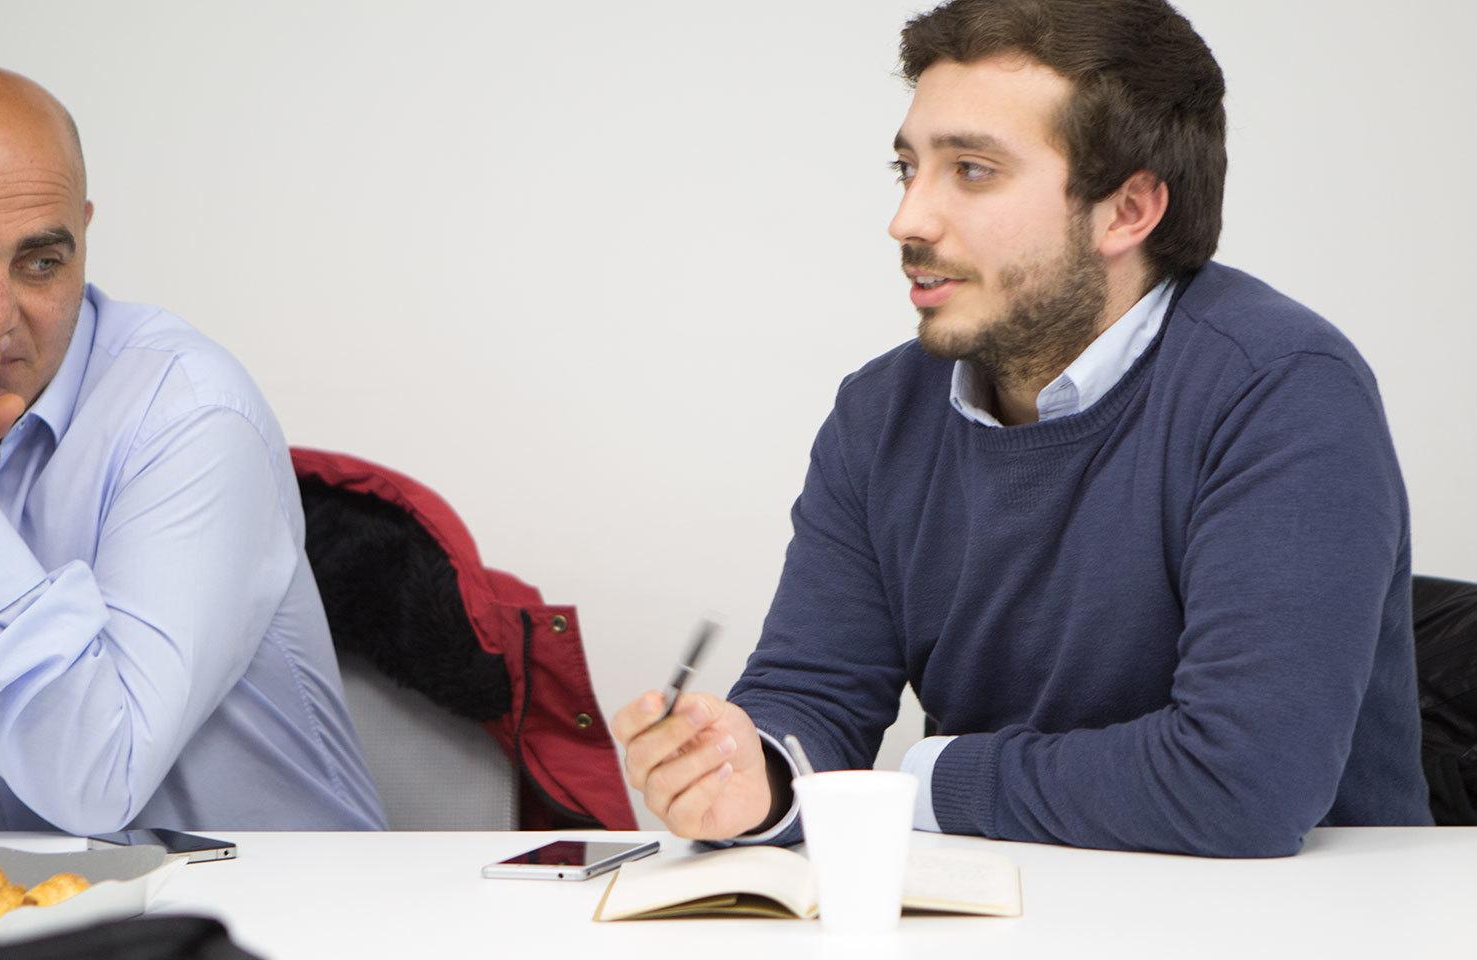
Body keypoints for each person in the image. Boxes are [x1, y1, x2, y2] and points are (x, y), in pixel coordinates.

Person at [611, 0, 1431, 857]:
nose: (908, 220)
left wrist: (925, 781)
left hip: (1308, 923)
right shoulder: (879, 413)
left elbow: (1242, 782)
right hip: (1010, 908)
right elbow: (812, 698)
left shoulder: (1281, 387)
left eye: (971, 170)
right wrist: (760, 779)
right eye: (907, 169)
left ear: (1128, 211)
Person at [0, 64, 384, 834]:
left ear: (82, 238)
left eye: (40, 263)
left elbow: (94, 782)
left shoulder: (191, 413)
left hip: (263, 926)